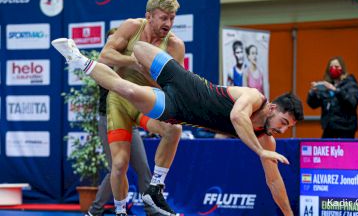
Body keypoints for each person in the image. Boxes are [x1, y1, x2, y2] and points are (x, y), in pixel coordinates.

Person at [52, 38, 304, 216]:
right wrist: (260, 152)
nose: (281, 131)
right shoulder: (254, 96)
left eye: (287, 128)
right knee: (139, 47)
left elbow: (274, 182)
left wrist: (288, 214)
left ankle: (79, 60)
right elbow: (238, 118)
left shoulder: (266, 140)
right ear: (272, 108)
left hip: (176, 110)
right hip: (183, 81)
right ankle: (114, 57)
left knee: (126, 90)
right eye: (283, 122)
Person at [95, 0, 185, 215]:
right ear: (149, 16)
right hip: (118, 101)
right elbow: (104, 56)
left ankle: (154, 188)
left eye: (172, 19)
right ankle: (120, 211)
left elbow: (173, 87)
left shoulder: (174, 45)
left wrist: (150, 72)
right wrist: (132, 62)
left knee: (173, 129)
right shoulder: (132, 27)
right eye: (163, 18)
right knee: (119, 165)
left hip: (145, 101)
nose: (168, 24)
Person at [86, 29, 154, 216]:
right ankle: (95, 211)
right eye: (112, 41)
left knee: (143, 168)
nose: (116, 45)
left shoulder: (130, 64)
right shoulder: (102, 64)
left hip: (129, 122)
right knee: (116, 168)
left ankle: (152, 209)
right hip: (108, 122)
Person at [307, 56, 358, 138]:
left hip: (345, 129)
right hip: (329, 128)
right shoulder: (326, 85)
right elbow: (313, 104)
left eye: (336, 66)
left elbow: (352, 102)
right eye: (331, 67)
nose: (333, 69)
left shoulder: (350, 84)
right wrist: (313, 93)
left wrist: (335, 90)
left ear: (342, 68)